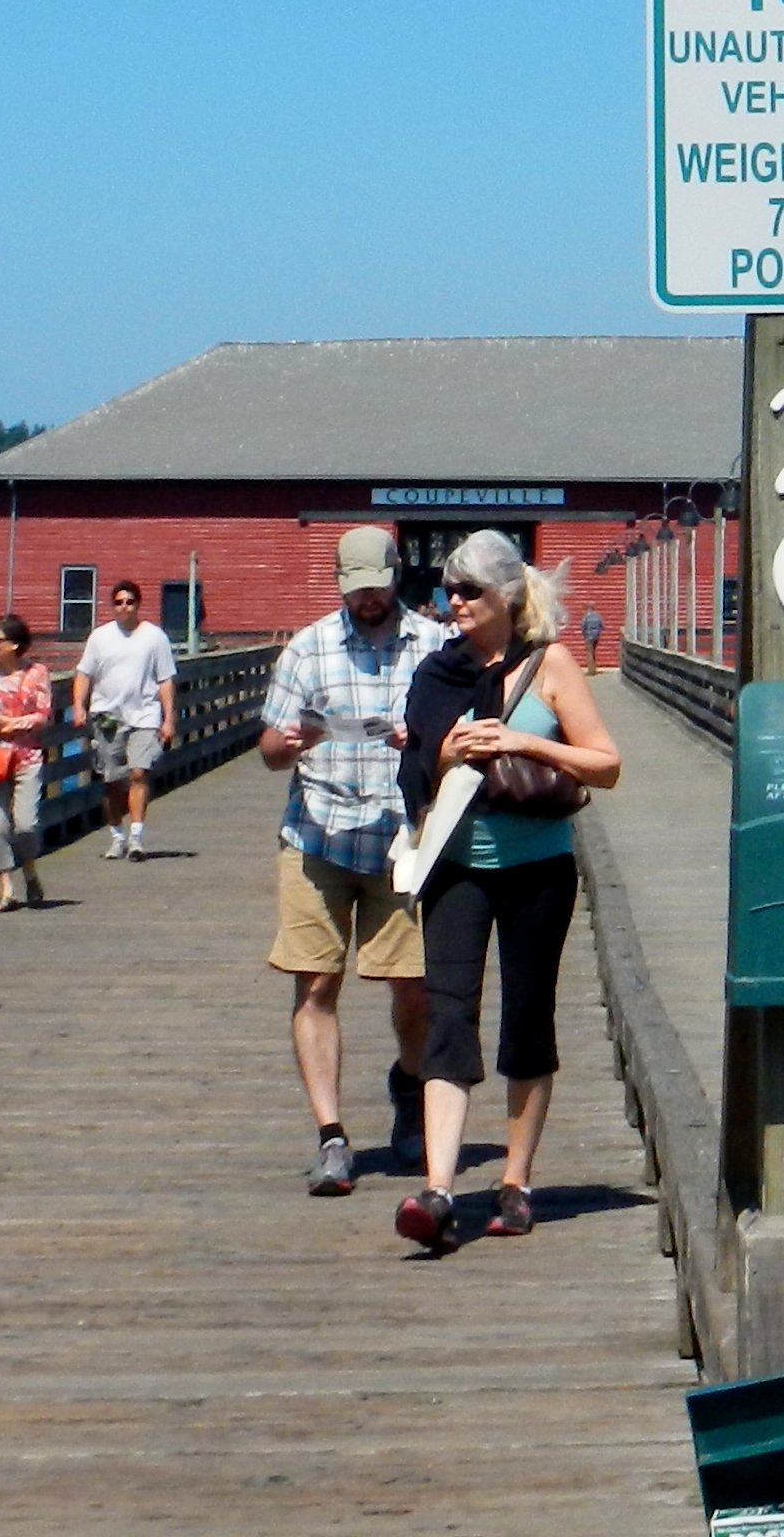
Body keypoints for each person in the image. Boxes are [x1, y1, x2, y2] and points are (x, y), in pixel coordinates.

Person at [391, 529, 617, 1250]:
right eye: (448, 590)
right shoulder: (435, 673)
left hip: (537, 866)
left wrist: (526, 742)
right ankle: (437, 1189)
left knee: (527, 1016)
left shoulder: (550, 665)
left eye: (469, 592)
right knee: (448, 1016)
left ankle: (516, 1182)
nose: (453, 602)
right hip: (455, 864)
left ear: (507, 598)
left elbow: (605, 765)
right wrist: (444, 753)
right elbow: (415, 779)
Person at [252, 525, 441, 1196]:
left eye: (376, 587)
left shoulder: (435, 645)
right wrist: (292, 741)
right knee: (314, 985)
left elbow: (467, 736)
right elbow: (269, 749)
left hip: (401, 840)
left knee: (413, 987)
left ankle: (410, 1087)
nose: (366, 599)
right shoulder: (308, 650)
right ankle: (332, 1137)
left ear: (397, 578)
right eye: (354, 588)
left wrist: (425, 738)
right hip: (317, 836)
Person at [74, 578, 179, 859]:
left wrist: (169, 718)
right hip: (107, 716)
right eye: (119, 602)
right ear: (113, 606)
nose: (124, 607)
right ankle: (116, 835)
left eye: (129, 602)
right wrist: (78, 705)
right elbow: (84, 674)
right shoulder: (100, 637)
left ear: (138, 604)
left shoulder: (154, 637)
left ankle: (136, 837)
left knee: (139, 772)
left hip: (145, 715)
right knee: (111, 781)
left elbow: (165, 679)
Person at [0, 610, 58, 909]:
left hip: (27, 757)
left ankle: (30, 870)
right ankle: (6, 888)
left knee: (25, 824)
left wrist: (12, 724)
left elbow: (44, 714)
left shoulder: (37, 673)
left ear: (15, 644)